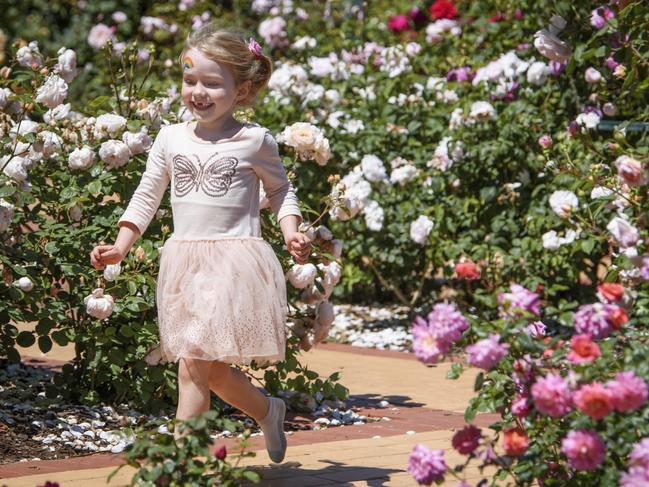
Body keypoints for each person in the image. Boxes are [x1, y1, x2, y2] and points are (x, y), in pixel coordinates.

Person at [89, 23, 312, 464]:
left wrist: (292, 231)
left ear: (242, 88)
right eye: (190, 80)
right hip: (185, 266)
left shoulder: (254, 140)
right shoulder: (171, 138)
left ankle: (182, 464)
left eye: (212, 83)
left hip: (235, 264)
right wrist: (120, 246)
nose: (198, 91)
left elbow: (281, 191)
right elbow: (146, 195)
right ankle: (268, 410)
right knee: (208, 370)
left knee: (193, 366)